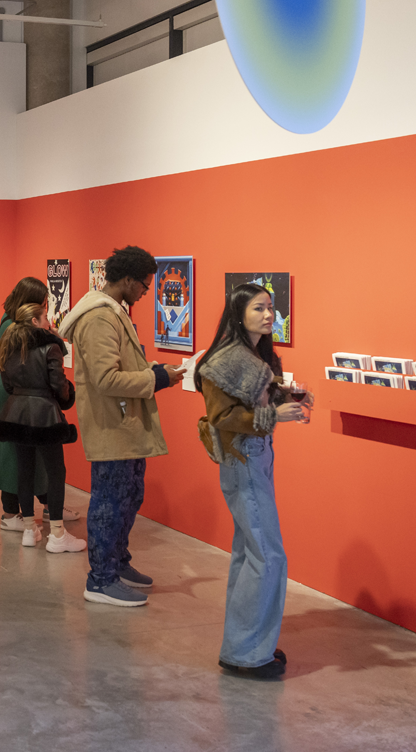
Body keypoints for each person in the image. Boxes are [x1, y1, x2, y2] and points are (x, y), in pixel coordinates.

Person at [193, 283, 310, 680]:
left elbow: (256, 398)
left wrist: (286, 399)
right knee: (267, 554)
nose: (268, 315)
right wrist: (274, 416)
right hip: (243, 458)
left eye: (271, 307)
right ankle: (246, 652)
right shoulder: (224, 360)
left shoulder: (257, 356)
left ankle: (246, 643)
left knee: (249, 552)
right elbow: (222, 417)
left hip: (256, 456)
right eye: (259, 308)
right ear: (238, 313)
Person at [57, 245, 184, 608]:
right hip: (111, 426)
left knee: (129, 496)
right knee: (109, 503)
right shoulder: (100, 318)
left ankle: (117, 562)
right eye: (144, 285)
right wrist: (157, 378)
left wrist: (154, 371)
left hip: (123, 425)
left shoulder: (113, 312)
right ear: (127, 280)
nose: (146, 292)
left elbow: (120, 367)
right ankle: (101, 579)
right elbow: (105, 379)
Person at [0, 303, 84, 553]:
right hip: (45, 415)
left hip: (16, 413)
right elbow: (58, 383)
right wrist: (66, 397)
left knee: (25, 471)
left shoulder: (10, 345)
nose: (49, 322)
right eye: (45, 317)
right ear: (34, 321)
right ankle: (57, 534)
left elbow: (6, 382)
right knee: (56, 472)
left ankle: (30, 530)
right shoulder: (51, 347)